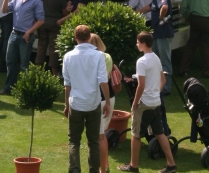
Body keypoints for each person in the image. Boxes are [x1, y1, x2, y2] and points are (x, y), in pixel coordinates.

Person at [118, 31, 177, 173]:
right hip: (156, 102)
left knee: (136, 134)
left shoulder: (142, 61)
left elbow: (141, 85)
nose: (136, 44)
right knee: (160, 133)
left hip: (144, 104)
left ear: (144, 44)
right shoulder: (156, 58)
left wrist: (135, 103)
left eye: (138, 42)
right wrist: (156, 93)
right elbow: (163, 80)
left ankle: (133, 166)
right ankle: (171, 164)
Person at [63, 25, 110, 173]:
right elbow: (103, 81)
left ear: (75, 37)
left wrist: (66, 105)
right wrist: (108, 102)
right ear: (89, 37)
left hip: (76, 103)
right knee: (93, 141)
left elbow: (67, 85)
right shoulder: (98, 55)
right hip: (93, 103)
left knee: (74, 140)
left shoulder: (68, 56)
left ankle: (74, 170)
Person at [0, 0, 44, 95]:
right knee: (10, 62)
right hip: (14, 33)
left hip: (25, 36)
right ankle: (8, 89)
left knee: (24, 65)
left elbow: (41, 20)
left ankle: (25, 91)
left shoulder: (36, 2)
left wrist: (28, 32)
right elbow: (4, 10)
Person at [135, 0, 174, 95]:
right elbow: (149, 7)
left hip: (163, 34)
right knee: (155, 59)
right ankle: (156, 86)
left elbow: (164, 7)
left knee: (164, 61)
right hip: (158, 34)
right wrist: (135, 13)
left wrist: (161, 18)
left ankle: (166, 88)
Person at [85, 33, 115, 173]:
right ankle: (105, 165)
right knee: (101, 134)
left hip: (98, 98)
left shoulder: (91, 57)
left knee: (100, 136)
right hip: (109, 96)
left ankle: (103, 168)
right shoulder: (107, 57)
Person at [36, 0, 69, 76]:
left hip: (42, 23)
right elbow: (64, 13)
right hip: (55, 24)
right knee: (53, 48)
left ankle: (38, 69)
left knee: (41, 46)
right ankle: (54, 71)